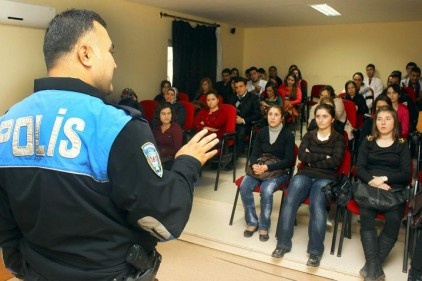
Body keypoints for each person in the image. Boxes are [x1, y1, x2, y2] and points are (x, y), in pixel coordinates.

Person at [0, 9, 219, 281]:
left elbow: (5, 223)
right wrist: (187, 163)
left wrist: (26, 268)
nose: (115, 63)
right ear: (86, 53)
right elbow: (164, 223)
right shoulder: (116, 126)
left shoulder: (6, 124)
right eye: (111, 51)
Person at [272, 103, 345, 267]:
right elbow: (302, 156)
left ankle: (315, 252)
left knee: (317, 205)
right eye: (318, 116)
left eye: (325, 116)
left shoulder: (339, 138)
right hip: (305, 174)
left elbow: (335, 162)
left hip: (326, 177)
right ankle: (282, 245)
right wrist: (324, 156)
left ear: (332, 118)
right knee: (290, 201)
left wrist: (314, 156)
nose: (321, 119)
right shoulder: (309, 135)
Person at [356, 105, 411, 281]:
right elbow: (360, 167)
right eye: (379, 119)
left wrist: (384, 179)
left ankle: (371, 267)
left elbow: (405, 174)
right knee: (366, 216)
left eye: (387, 118)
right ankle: (375, 269)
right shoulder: (368, 141)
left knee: (394, 220)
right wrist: (374, 182)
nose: (383, 122)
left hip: (393, 189)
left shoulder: (402, 144)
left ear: (394, 121)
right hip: (370, 187)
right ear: (375, 122)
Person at [240, 105, 295, 242]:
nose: (272, 117)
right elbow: (254, 154)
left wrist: (267, 168)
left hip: (278, 171)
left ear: (282, 118)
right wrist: (254, 165)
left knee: (266, 190)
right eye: (270, 114)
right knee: (244, 186)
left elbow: (288, 161)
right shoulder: (262, 132)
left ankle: (264, 225)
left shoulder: (288, 135)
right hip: (260, 168)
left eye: (276, 114)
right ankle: (252, 222)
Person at [227, 77, 261, 158]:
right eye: (236, 87)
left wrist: (243, 120)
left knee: (240, 131)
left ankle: (234, 158)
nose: (238, 89)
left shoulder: (253, 97)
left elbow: (257, 114)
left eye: (241, 86)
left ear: (246, 86)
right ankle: (224, 155)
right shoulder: (231, 97)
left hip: (247, 124)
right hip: (232, 123)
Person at [152, 102, 184, 170]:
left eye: (169, 113)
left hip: (170, 159)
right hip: (156, 157)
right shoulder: (156, 127)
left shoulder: (176, 128)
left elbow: (177, 150)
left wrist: (163, 151)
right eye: (163, 114)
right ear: (158, 115)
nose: (166, 116)